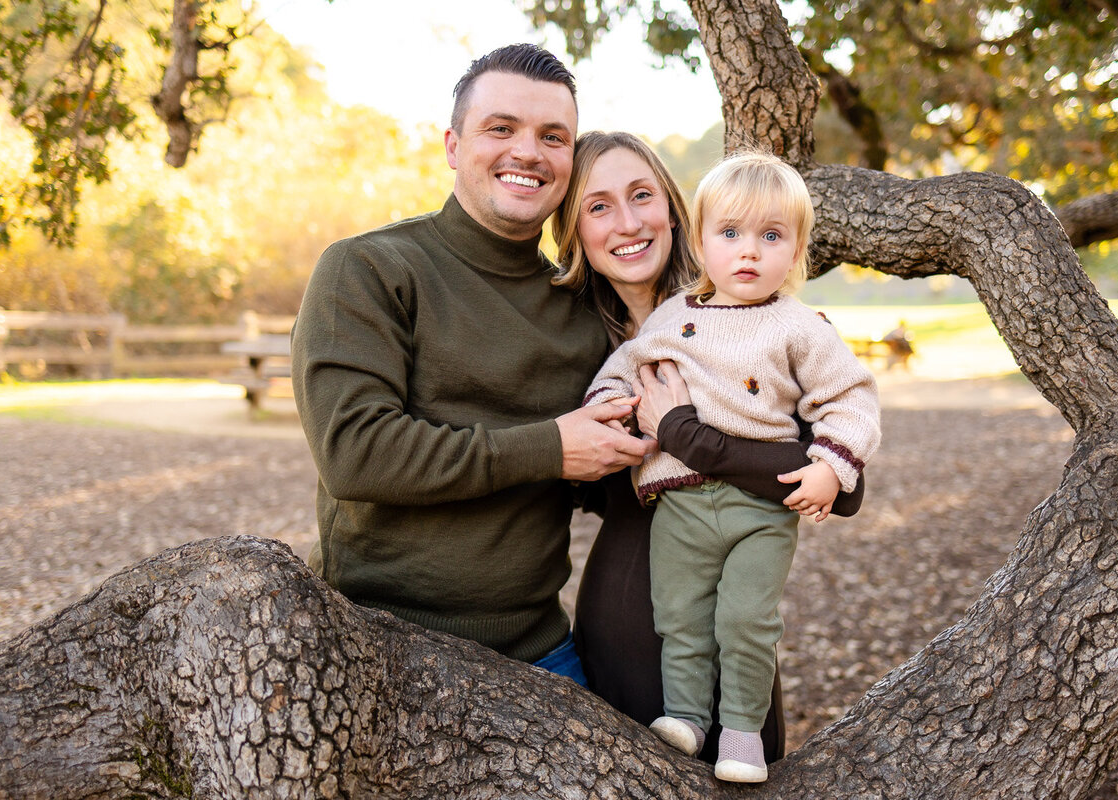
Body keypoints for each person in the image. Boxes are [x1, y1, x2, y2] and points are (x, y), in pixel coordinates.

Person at [289, 44, 650, 685]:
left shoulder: (582, 307)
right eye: (501, 128)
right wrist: (549, 448)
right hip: (377, 642)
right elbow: (354, 453)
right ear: (454, 145)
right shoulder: (370, 269)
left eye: (552, 137)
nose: (528, 153)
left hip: (540, 651)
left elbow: (609, 482)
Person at [552, 132, 865, 766]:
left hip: (741, 604)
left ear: (674, 213)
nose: (629, 222)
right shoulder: (566, 343)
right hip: (631, 595)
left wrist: (683, 432)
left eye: (642, 196)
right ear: (574, 230)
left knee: (747, 764)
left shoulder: (774, 320)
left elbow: (845, 487)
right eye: (598, 206)